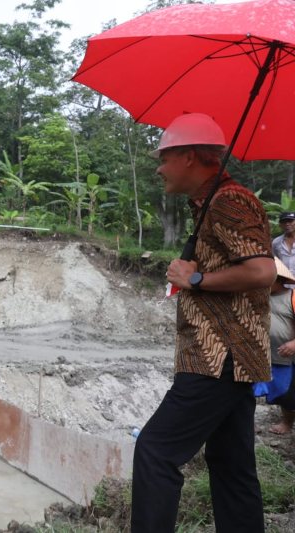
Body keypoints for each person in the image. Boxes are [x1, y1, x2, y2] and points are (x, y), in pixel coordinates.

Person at [132, 113, 276, 533]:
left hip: (219, 358)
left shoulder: (230, 201)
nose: (159, 167)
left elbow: (262, 271)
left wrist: (195, 279)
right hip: (233, 358)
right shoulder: (210, 203)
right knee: (231, 464)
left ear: (190, 157)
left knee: (156, 451)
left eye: (164, 157)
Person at [253, 258, 295, 435]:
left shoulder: (292, 297)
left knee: (287, 395)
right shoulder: (256, 296)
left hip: (286, 356)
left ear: (279, 279)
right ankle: (246, 422)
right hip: (259, 354)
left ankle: (287, 422)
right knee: (248, 392)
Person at [273, 211, 295, 287]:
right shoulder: (276, 242)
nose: (287, 224)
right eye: (284, 222)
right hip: (284, 287)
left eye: (290, 221)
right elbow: (275, 263)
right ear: (280, 225)